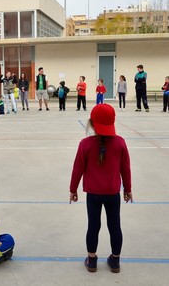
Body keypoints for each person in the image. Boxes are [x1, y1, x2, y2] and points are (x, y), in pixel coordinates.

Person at [69, 104, 132, 274]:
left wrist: (73, 189)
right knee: (115, 226)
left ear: (91, 123)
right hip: (113, 194)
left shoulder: (85, 144)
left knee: (93, 225)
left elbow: (77, 169)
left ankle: (91, 261)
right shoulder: (120, 143)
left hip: (93, 195)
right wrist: (128, 189)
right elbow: (126, 168)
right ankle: (115, 261)